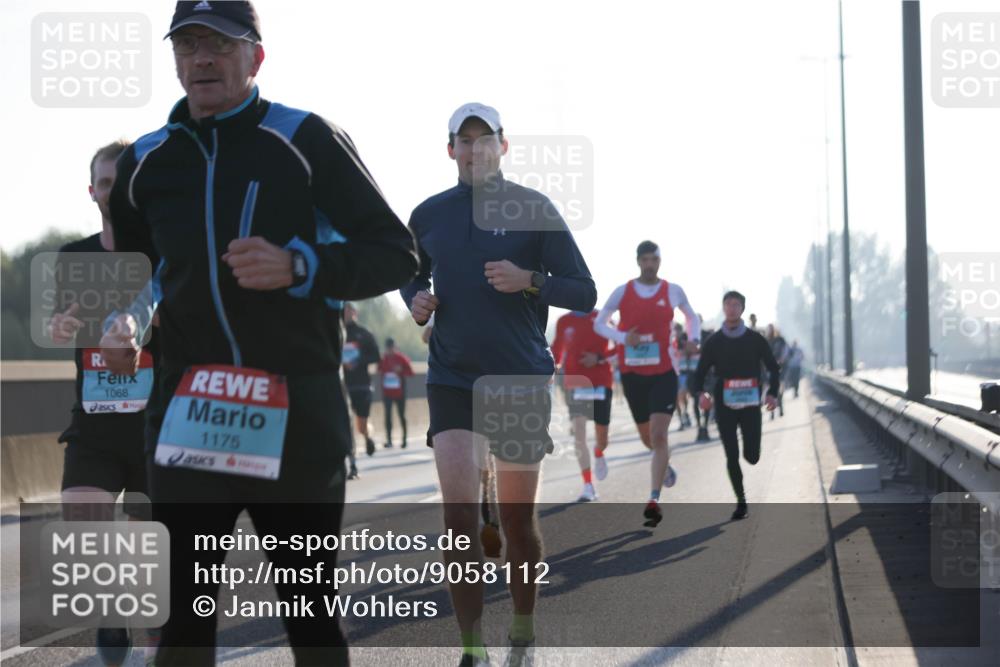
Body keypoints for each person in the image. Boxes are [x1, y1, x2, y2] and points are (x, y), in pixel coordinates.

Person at [101, 3, 418, 664]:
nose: (202, 58)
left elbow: (395, 252)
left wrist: (301, 265)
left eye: (220, 43)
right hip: (190, 414)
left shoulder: (305, 140)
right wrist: (124, 318)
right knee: (185, 618)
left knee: (309, 616)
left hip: (296, 415)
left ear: (256, 57)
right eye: (188, 44)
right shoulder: (144, 163)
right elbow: (138, 272)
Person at [401, 102, 596, 665]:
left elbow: (583, 291)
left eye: (485, 140)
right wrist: (414, 301)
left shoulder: (534, 209)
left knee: (515, 520)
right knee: (459, 517)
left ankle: (523, 624)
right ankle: (471, 648)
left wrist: (529, 281)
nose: (475, 149)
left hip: (518, 376)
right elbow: (410, 274)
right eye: (465, 141)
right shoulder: (429, 214)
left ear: (503, 146)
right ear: (451, 151)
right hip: (452, 376)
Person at [47, 139, 159, 666]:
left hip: (154, 427)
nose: (114, 192)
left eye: (124, 182)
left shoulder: (165, 255)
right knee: (81, 518)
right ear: (93, 191)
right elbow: (54, 319)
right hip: (94, 424)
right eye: (106, 183)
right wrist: (58, 324)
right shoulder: (73, 258)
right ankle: (112, 616)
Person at [594, 240, 700, 528]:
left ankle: (654, 499)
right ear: (638, 261)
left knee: (659, 435)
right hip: (632, 374)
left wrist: (694, 339)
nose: (650, 264)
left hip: (665, 372)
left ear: (660, 261)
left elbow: (691, 317)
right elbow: (600, 324)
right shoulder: (623, 291)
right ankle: (664, 464)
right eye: (645, 260)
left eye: (655, 259)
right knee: (648, 439)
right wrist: (622, 337)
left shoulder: (673, 290)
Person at [689, 291, 780, 521]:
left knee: (752, 456)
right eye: (728, 304)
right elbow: (699, 373)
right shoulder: (714, 342)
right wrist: (701, 394)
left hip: (750, 404)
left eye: (736, 304)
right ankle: (741, 502)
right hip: (724, 403)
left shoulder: (755, 339)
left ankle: (751, 455)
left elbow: (773, 367)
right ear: (723, 308)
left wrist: (772, 393)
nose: (731, 308)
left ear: (742, 308)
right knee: (731, 454)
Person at [551, 309, 615, 502]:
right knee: (579, 434)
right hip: (576, 384)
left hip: (601, 382)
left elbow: (621, 345)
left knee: (601, 437)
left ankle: (599, 451)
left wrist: (598, 358)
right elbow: (556, 350)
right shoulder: (564, 321)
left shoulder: (603, 318)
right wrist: (550, 366)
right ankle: (588, 485)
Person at [342, 301, 381, 460]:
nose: (346, 313)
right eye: (343, 310)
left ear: (354, 313)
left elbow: (376, 356)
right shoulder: (336, 332)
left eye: (349, 310)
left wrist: (357, 361)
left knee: (361, 424)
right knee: (347, 421)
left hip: (362, 384)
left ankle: (367, 437)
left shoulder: (364, 334)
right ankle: (352, 459)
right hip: (343, 385)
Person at [379, 337, 414, 448]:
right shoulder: (383, 359)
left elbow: (411, 373)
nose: (390, 350)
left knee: (401, 415)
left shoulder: (401, 358)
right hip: (387, 393)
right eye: (388, 348)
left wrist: (401, 370)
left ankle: (404, 440)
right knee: (388, 416)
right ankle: (389, 440)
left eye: (392, 348)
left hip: (400, 393)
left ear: (395, 347)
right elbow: (379, 370)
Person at [765, 324, 789, 419]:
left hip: (781, 368)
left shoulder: (780, 339)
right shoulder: (766, 341)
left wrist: (782, 359)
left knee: (780, 390)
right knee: (771, 390)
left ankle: (781, 407)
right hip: (770, 369)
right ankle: (772, 412)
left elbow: (786, 350)